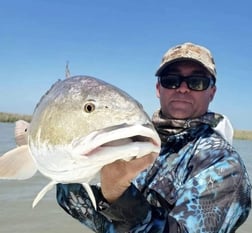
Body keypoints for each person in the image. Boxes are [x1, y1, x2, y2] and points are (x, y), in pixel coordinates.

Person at [56, 42, 251, 232]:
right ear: (158, 89)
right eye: (171, 80)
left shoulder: (223, 165)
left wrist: (117, 193)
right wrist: (58, 163)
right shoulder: (134, 141)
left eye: (197, 82)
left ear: (212, 92)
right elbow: (97, 220)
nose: (183, 88)